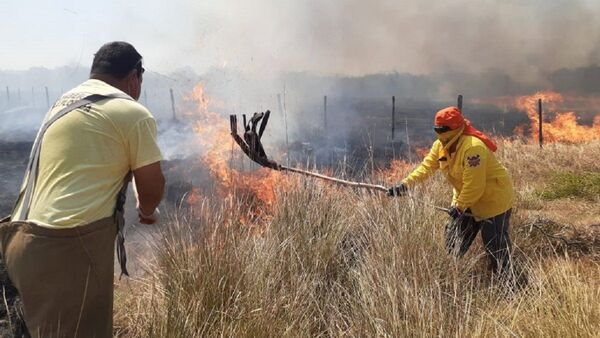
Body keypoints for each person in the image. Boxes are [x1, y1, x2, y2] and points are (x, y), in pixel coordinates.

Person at [0, 41, 164, 337]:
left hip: (19, 244)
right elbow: (151, 189)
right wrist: (148, 210)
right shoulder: (132, 112)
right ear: (134, 77)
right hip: (66, 252)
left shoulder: (64, 103)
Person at [388, 106, 515, 278]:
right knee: (454, 242)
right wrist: (405, 185)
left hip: (493, 201)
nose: (439, 133)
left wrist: (460, 207)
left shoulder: (473, 148)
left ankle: (508, 283)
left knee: (495, 247)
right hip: (466, 201)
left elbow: (474, 185)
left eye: (442, 129)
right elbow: (426, 168)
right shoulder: (440, 145)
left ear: (455, 128)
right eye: (437, 129)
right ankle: (453, 277)